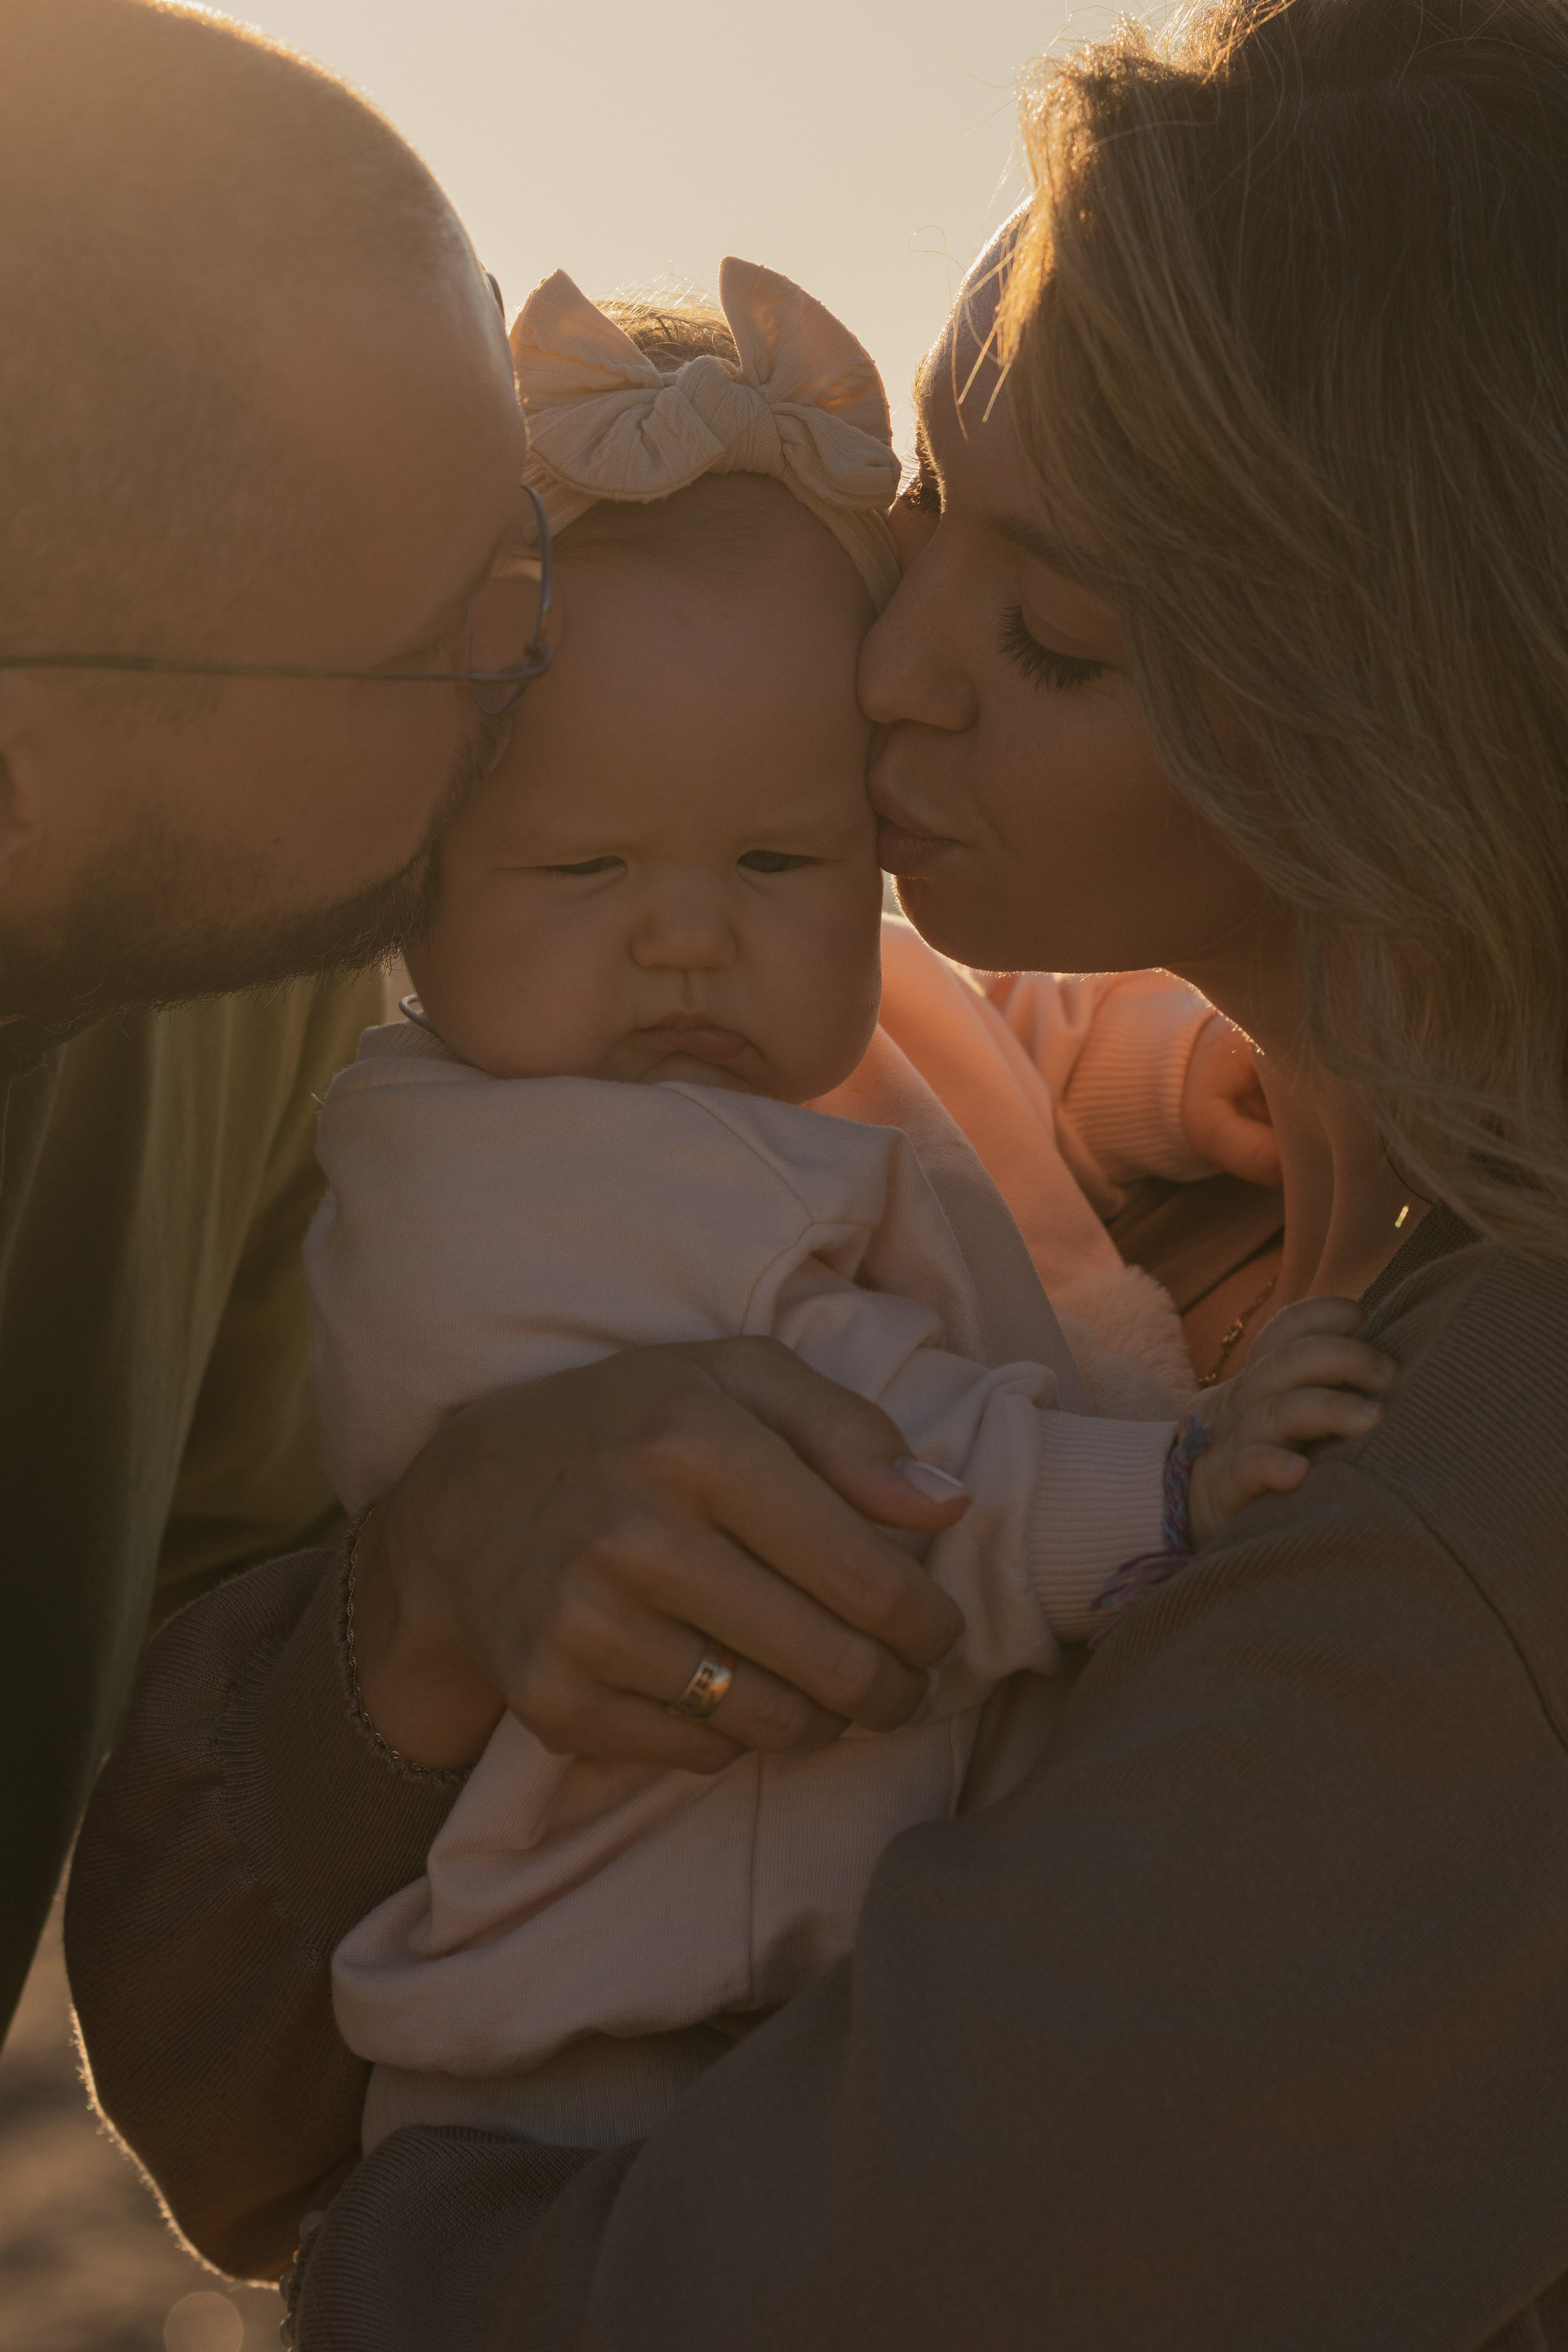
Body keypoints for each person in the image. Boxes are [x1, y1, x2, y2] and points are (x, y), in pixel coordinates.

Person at [66, 0, 1568, 2342]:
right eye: (921, 538)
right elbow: (190, 2038)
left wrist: (371, 2261)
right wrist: (441, 1585)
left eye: (1050, 632)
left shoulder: (1483, 1518)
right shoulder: (1063, 1182)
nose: (882, 682)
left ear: (1401, 714)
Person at [311, 264, 1383, 2155]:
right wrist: (1162, 1492)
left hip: (840, 1918)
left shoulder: (793, 1005)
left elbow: (981, 1036)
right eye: (580, 866)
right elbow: (869, 1468)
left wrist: (1174, 1071)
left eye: (784, 856)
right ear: (416, 869)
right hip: (618, 2038)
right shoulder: (493, 1186)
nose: (685, 933)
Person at [0, 0, 530, 2041]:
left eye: (527, 535)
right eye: (440, 646)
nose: (538, 665)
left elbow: (239, 1644)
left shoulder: (263, 957)